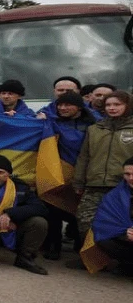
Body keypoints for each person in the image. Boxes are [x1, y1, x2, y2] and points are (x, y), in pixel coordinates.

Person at [73, 90, 133, 246]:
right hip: (95, 184)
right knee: (84, 221)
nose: (112, 108)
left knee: (120, 225)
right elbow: (84, 157)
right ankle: (92, 260)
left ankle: (121, 260)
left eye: (117, 104)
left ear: (127, 105)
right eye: (108, 105)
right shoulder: (95, 129)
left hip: (123, 186)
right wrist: (79, 182)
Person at [41, 91, 95, 259]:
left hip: (85, 174)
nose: (62, 108)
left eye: (67, 105)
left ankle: (81, 249)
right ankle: (53, 246)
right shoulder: (51, 121)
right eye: (60, 105)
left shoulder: (95, 124)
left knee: (81, 212)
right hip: (59, 173)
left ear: (79, 107)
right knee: (54, 210)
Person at [84, 157, 133, 271]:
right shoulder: (115, 195)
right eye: (127, 174)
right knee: (103, 239)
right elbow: (104, 222)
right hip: (127, 235)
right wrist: (125, 233)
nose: (131, 178)